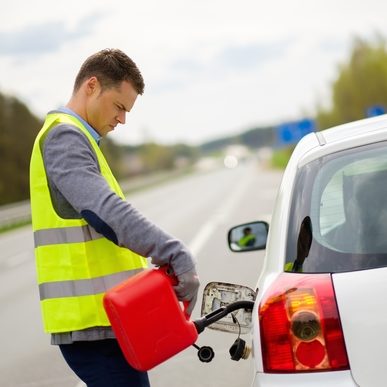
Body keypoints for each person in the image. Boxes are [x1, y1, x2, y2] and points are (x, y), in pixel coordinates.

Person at [29, 48, 200, 387]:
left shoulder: (78, 138)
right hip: (91, 328)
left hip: (109, 322)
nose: (122, 120)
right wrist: (172, 250)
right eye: (119, 107)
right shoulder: (65, 137)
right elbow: (104, 211)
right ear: (91, 86)